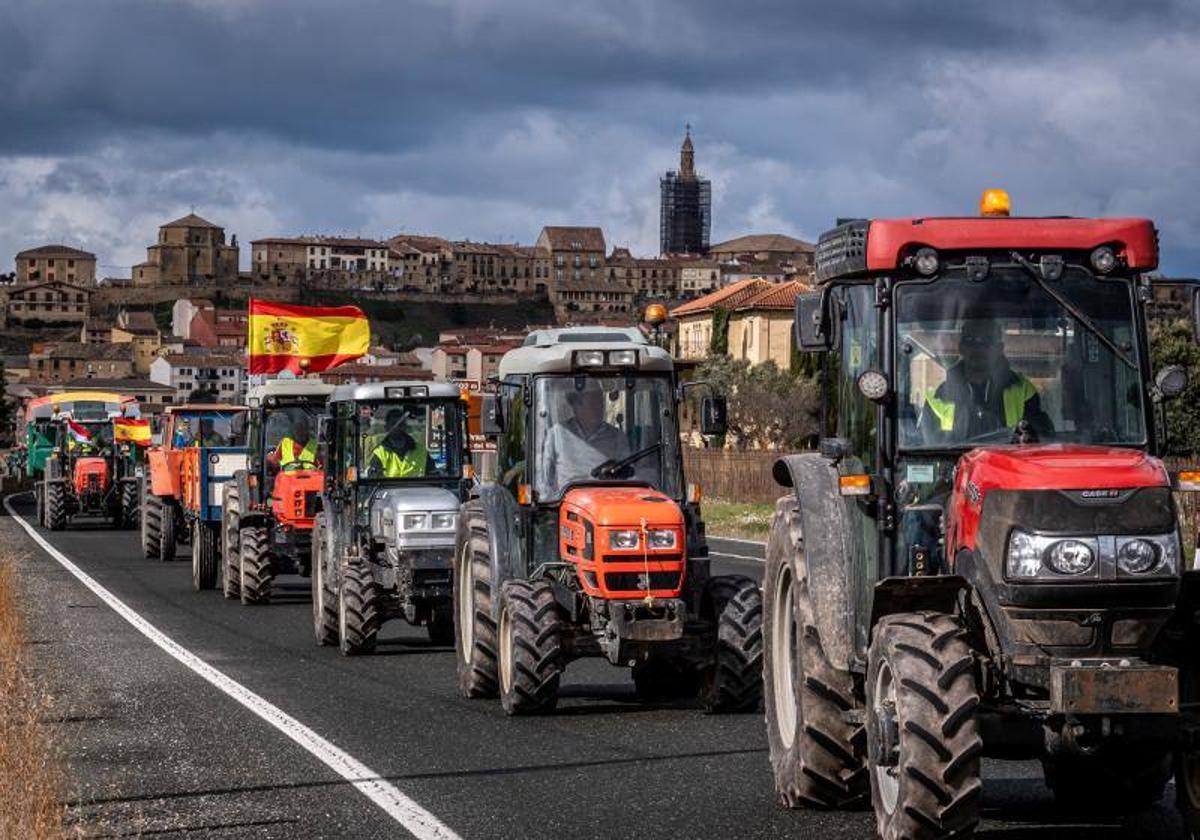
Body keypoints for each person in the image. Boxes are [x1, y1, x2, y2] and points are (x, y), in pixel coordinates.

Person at [919, 317, 1053, 443]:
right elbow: (925, 452)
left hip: (1007, 467)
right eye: (970, 340)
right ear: (961, 347)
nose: (978, 348)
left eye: (987, 340)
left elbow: (1041, 442)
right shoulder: (937, 398)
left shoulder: (1024, 392)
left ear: (1000, 348)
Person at [539, 382, 629, 494]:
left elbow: (629, 476)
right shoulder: (557, 434)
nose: (600, 407)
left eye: (601, 401)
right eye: (593, 403)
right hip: (567, 503)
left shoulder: (617, 437)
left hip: (605, 501)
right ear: (576, 406)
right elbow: (544, 481)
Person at [366, 408, 434, 478]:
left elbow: (433, 476)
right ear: (386, 427)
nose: (397, 428)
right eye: (393, 424)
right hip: (388, 489)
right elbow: (373, 482)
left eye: (400, 424)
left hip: (419, 488)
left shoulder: (421, 451)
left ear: (405, 427)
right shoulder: (380, 454)